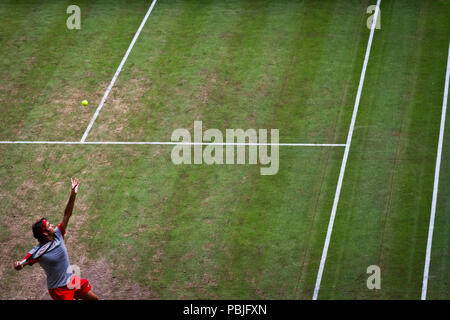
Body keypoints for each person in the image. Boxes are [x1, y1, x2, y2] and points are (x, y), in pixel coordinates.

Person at [14, 178, 98, 300]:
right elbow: (23, 263)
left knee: (94, 299)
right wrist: (18, 265)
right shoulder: (36, 252)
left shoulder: (58, 234)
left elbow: (67, 214)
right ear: (44, 233)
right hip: (59, 290)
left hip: (71, 280)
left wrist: (73, 194)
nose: (52, 225)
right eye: (49, 225)